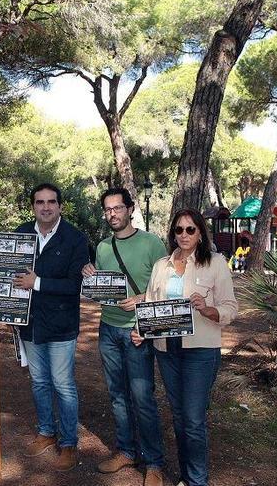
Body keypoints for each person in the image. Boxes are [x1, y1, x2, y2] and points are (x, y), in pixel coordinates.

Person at [130, 209, 237, 486]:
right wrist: (142, 331)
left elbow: (230, 308)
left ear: (200, 233)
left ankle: (197, 480)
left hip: (200, 351)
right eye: (179, 230)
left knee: (193, 420)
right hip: (167, 349)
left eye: (191, 229)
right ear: (172, 234)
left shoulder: (215, 263)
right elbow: (153, 306)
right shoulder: (161, 265)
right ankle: (187, 476)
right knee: (179, 417)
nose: (184, 235)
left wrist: (207, 308)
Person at [81, 188, 167, 486]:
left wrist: (143, 298)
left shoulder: (151, 243)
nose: (112, 214)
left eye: (118, 208)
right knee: (117, 395)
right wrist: (90, 275)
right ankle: (127, 451)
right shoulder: (103, 247)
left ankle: (154, 462)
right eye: (107, 209)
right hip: (108, 329)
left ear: (130, 209)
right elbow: (104, 289)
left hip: (138, 331)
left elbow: (168, 286)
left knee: (143, 397)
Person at [12, 183, 89, 472]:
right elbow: (5, 272)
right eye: (40, 202)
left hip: (61, 327)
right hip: (29, 324)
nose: (46, 207)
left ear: (60, 206)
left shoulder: (75, 239)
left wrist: (38, 283)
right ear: (33, 206)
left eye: (51, 202)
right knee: (39, 382)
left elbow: (76, 285)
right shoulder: (20, 235)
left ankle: (68, 443)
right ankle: (46, 432)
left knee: (64, 385)